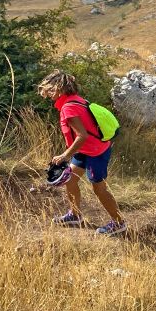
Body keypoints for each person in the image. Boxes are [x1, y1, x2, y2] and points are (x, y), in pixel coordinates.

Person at [37, 70, 126, 235]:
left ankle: (119, 223)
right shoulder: (75, 100)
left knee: (99, 189)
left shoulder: (68, 108)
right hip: (85, 150)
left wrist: (65, 155)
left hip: (95, 152)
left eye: (50, 90)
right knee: (70, 180)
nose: (48, 94)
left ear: (60, 88)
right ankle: (75, 215)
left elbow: (82, 136)